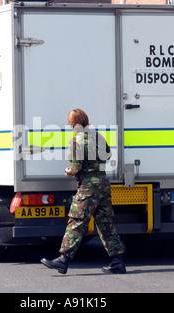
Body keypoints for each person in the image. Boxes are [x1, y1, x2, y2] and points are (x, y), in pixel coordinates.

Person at [41, 109, 126, 274]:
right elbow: (108, 155)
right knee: (105, 223)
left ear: (74, 124)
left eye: (70, 122)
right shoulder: (98, 137)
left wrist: (68, 171)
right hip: (103, 182)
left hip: (88, 186)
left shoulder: (76, 141)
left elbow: (75, 168)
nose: (69, 125)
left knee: (77, 220)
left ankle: (63, 259)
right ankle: (118, 261)